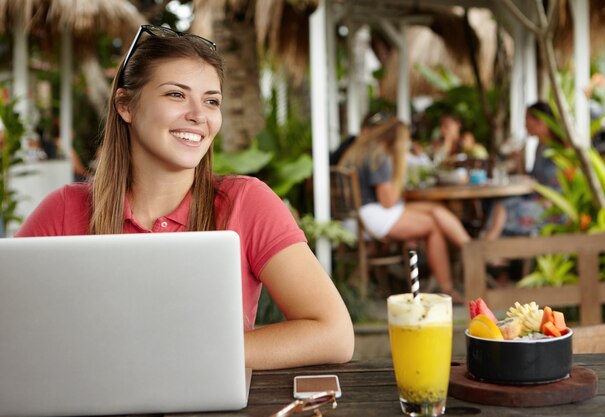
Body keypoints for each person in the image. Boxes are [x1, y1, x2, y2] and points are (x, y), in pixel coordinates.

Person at [15, 25, 354, 370]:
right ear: (125, 105)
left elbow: (334, 334)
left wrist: (178, 355)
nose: (199, 115)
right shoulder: (63, 209)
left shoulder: (246, 202)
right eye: (176, 94)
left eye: (211, 101)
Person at [339, 116, 471, 302]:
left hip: (359, 213)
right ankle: (449, 285)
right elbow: (388, 201)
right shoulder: (379, 154)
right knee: (432, 224)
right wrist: (398, 176)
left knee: (436, 209)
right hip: (371, 215)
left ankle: (470, 249)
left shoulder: (365, 148)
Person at [483, 101, 566, 240]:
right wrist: (519, 161)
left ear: (541, 122)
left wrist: (547, 197)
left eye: (527, 119)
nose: (525, 124)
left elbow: (559, 186)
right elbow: (532, 178)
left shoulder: (558, 149)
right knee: (498, 202)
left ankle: (486, 247)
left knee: (503, 207)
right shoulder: (541, 146)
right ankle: (492, 250)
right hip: (537, 199)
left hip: (552, 209)